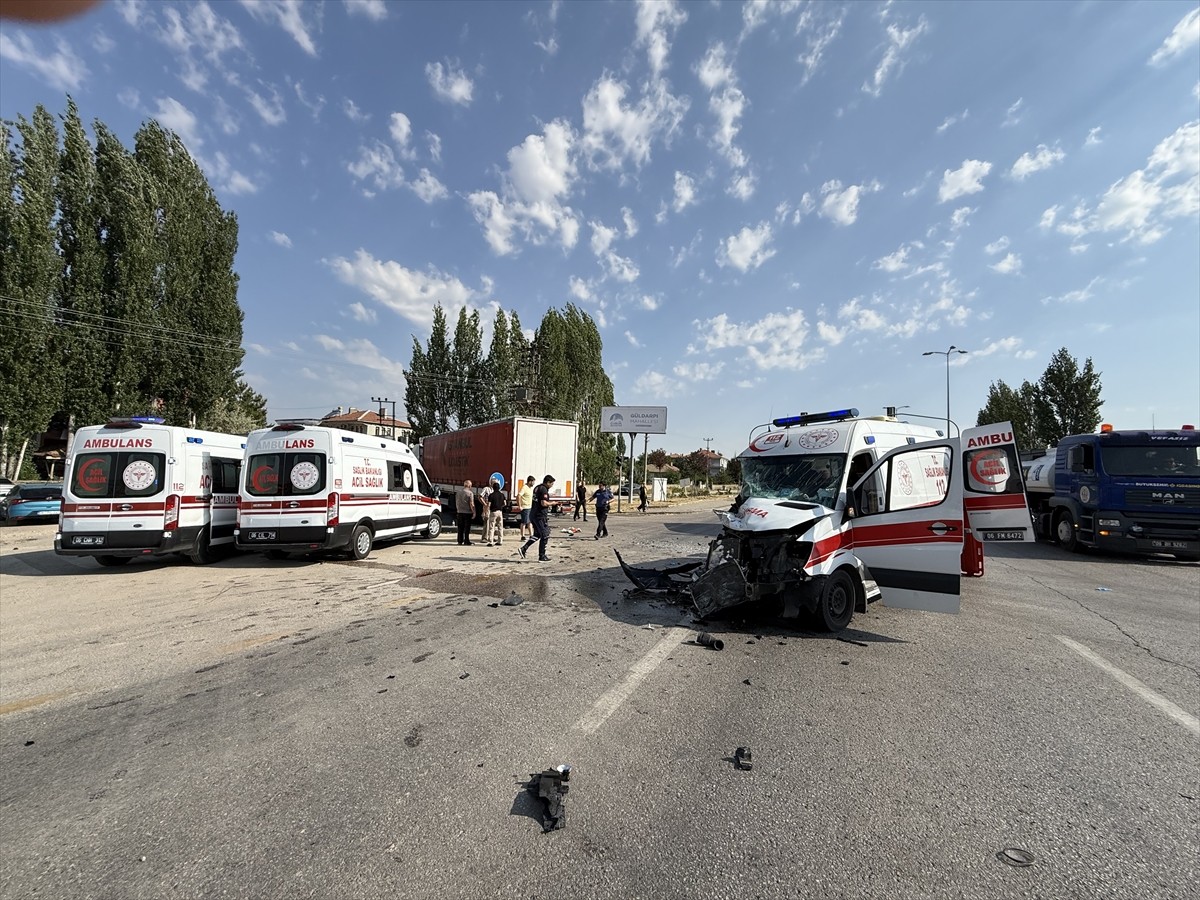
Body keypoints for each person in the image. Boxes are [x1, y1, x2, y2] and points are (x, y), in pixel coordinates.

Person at [519, 474, 555, 561]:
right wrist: (552, 503)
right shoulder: (543, 490)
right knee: (545, 534)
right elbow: (543, 503)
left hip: (533, 514)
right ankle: (542, 556)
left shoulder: (537, 488)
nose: (552, 486)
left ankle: (523, 548)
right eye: (551, 484)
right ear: (548, 482)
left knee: (537, 534)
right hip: (540, 516)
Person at [485, 479, 505, 546]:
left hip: (493, 512)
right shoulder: (502, 495)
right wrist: (500, 506)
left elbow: (489, 504)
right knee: (500, 527)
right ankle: (500, 541)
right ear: (499, 488)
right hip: (500, 512)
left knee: (491, 527)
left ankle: (491, 541)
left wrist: (487, 510)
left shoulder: (491, 495)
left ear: (493, 488)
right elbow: (504, 503)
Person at [455, 479, 475, 546]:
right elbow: (471, 504)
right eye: (471, 485)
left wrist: (458, 509)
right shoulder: (470, 493)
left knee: (460, 527)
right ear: (469, 486)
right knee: (467, 528)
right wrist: (474, 512)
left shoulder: (458, 492)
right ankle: (466, 540)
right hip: (467, 512)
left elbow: (457, 502)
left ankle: (460, 541)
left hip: (460, 512)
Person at [517, 475, 535, 539]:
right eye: (533, 482)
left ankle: (531, 535)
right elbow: (519, 496)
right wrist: (520, 506)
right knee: (524, 522)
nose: (534, 483)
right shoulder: (524, 487)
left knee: (530, 522)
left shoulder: (530, 488)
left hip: (530, 507)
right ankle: (523, 535)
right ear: (530, 481)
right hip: (525, 507)